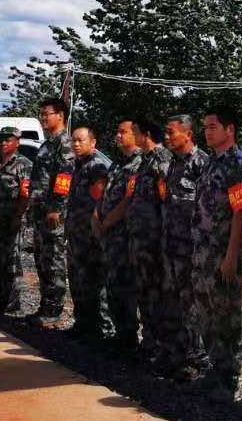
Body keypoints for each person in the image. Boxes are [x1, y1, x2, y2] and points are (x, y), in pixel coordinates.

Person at [190, 105, 242, 398]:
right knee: (206, 314)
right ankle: (215, 371)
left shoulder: (237, 165)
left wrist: (231, 256)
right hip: (203, 254)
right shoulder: (210, 163)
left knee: (226, 316)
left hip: (222, 254)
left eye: (213, 126)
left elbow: (240, 214)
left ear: (230, 130)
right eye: (205, 127)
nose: (207, 132)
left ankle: (228, 379)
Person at [161, 114, 209, 380]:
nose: (166, 137)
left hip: (191, 249)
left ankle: (196, 361)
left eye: (171, 132)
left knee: (192, 305)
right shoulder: (173, 164)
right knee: (174, 302)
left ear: (188, 134)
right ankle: (177, 354)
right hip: (172, 246)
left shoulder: (202, 163)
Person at [125, 118, 173, 368]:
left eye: (134, 132)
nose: (132, 136)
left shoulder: (162, 159)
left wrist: (162, 239)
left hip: (154, 241)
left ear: (145, 135)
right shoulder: (143, 161)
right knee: (143, 291)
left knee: (156, 293)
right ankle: (149, 343)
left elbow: (166, 201)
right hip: (139, 239)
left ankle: (160, 346)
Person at [25, 96, 75, 326]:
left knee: (54, 261)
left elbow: (65, 178)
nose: (43, 118)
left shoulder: (65, 144)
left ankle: (54, 310)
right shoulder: (47, 144)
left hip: (53, 214)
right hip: (39, 213)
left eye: (47, 114)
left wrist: (56, 208)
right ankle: (45, 306)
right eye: (42, 114)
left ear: (60, 116)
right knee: (42, 260)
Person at [96, 117, 143, 348]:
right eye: (117, 131)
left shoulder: (139, 163)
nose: (118, 135)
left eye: (123, 132)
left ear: (136, 135)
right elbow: (103, 194)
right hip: (110, 236)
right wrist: (97, 217)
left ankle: (129, 338)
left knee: (126, 288)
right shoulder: (116, 164)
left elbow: (128, 200)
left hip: (125, 237)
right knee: (112, 286)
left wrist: (107, 222)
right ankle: (119, 335)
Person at [66, 124, 112, 339]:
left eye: (80, 140)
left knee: (95, 281)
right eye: (73, 140)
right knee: (78, 279)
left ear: (93, 143)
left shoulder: (96, 167)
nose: (76, 144)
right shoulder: (78, 165)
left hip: (91, 236)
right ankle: (83, 324)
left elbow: (99, 201)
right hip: (77, 234)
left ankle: (102, 329)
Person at [0, 126, 32, 315]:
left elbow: (25, 194)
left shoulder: (23, 164)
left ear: (17, 143)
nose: (3, 143)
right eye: (1, 140)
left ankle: (13, 303)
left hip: (11, 221)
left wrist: (18, 217)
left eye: (8, 140)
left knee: (12, 262)